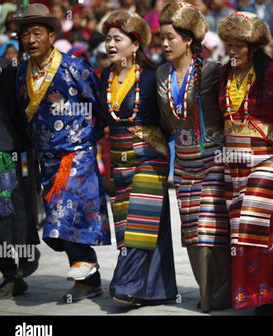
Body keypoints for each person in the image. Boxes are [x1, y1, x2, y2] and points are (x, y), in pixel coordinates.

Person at [14, 4, 111, 302]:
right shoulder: (21, 73)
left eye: (37, 33)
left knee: (62, 215)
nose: (30, 40)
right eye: (25, 34)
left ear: (52, 35)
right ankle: (89, 278)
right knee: (60, 223)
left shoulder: (74, 67)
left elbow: (100, 108)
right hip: (46, 158)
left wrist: (87, 140)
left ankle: (85, 268)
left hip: (75, 155)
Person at [217, 12, 273, 312]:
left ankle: (268, 294)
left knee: (256, 227)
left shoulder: (272, 74)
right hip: (234, 163)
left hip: (267, 158)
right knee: (242, 228)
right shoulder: (223, 75)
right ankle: (268, 288)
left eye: (238, 45)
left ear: (254, 46)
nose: (232, 51)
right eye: (228, 44)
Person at [156, 2, 231, 313]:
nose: (163, 43)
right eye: (161, 37)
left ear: (188, 40)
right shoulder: (160, 74)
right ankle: (206, 290)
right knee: (191, 229)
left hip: (214, 156)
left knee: (210, 227)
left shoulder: (213, 72)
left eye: (170, 37)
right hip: (184, 160)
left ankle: (221, 292)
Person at [100, 9, 178, 307]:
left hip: (150, 156)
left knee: (140, 222)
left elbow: (170, 115)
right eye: (107, 39)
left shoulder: (152, 77)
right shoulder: (103, 78)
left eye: (117, 39)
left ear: (135, 45)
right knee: (127, 223)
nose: (110, 45)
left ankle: (126, 283)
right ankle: (153, 290)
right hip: (119, 158)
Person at [0, 56, 40, 299]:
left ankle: (19, 264)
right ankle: (11, 272)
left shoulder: (5, 69)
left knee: (7, 210)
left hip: (3, 151)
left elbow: (20, 112)